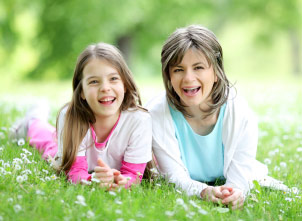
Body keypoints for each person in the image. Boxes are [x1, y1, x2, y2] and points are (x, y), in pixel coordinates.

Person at [146, 25, 282, 209]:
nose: (188, 78)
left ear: (216, 73)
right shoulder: (156, 114)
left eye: (198, 67)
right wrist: (204, 191)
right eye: (178, 69)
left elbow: (239, 177)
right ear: (169, 76)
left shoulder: (239, 112)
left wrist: (233, 192)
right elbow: (174, 177)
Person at [10, 42, 152, 189]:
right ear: (82, 91)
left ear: (125, 84)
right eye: (94, 81)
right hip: (66, 148)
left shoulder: (139, 121)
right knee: (50, 146)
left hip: (105, 167)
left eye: (113, 79)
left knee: (53, 139)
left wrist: (121, 182)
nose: (105, 88)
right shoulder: (71, 117)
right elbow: (75, 172)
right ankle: (33, 120)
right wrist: (93, 181)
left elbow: (134, 175)